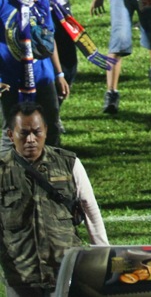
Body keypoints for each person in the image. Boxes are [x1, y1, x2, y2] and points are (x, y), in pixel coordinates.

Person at [0, 102, 108, 296]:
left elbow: (90, 209)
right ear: (10, 135)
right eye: (24, 133)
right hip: (21, 280)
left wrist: (103, 254)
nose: (31, 139)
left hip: (67, 272)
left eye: (37, 132)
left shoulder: (69, 163)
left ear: (46, 131)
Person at [0, 0, 65, 139]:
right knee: (10, 133)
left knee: (51, 128)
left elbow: (48, 38)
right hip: (9, 80)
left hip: (43, 76)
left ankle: (53, 169)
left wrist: (59, 73)